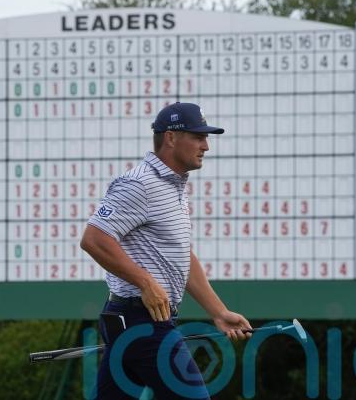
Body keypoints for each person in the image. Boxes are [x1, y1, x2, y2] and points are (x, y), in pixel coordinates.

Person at [81, 102, 252, 399]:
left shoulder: (175, 187)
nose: (206, 146)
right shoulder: (139, 184)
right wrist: (145, 282)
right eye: (198, 137)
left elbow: (180, 254)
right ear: (171, 138)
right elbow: (94, 239)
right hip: (142, 321)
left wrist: (219, 312)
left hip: (134, 320)